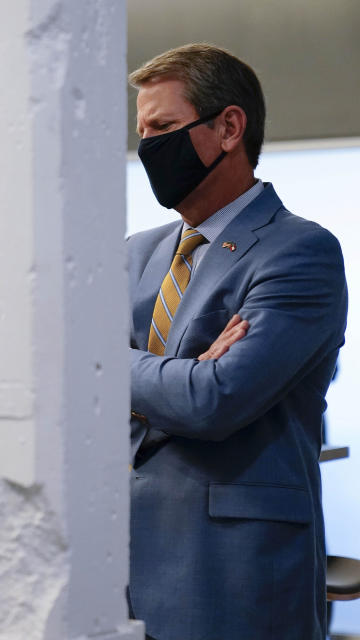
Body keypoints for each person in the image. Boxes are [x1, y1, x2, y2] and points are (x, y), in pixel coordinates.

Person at [126, 44, 348, 640]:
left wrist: (112, 367)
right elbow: (68, 390)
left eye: (164, 128)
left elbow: (215, 399)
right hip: (118, 568)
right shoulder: (133, 254)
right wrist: (178, 373)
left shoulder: (300, 251)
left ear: (229, 127)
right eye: (142, 131)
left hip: (233, 572)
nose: (148, 146)